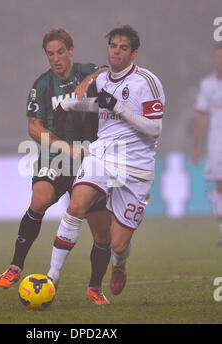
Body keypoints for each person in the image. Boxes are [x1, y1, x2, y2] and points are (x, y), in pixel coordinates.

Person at [47, 25, 165, 298]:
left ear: (134, 53)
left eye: (124, 47)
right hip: (103, 154)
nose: (117, 51)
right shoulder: (101, 80)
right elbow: (100, 105)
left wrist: (118, 107)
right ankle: (52, 276)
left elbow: (155, 128)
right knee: (76, 205)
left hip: (136, 165)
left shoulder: (147, 82)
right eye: (113, 46)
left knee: (118, 244)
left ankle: (119, 264)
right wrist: (70, 104)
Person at [0, 28, 112, 305]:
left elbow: (108, 70)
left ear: (70, 50)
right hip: (57, 157)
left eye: (61, 52)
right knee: (40, 199)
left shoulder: (87, 71)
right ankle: (15, 266)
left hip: (91, 157)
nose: (56, 58)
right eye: (51, 54)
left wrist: (91, 78)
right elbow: (34, 127)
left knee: (102, 232)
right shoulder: (42, 85)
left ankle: (95, 287)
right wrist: (63, 146)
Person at [191, 42, 222, 245]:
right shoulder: (207, 85)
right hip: (216, 141)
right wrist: (196, 145)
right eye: (217, 56)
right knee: (220, 185)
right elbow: (201, 116)